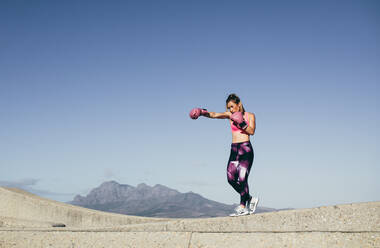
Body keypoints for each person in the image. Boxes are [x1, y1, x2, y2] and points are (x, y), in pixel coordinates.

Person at [189, 93, 259, 217]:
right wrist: (202, 112)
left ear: (239, 104)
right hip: (234, 150)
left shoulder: (250, 115)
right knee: (231, 179)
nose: (230, 110)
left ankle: (243, 206)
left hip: (246, 149)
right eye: (228, 108)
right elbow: (215, 115)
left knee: (242, 178)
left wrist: (242, 123)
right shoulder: (229, 116)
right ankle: (249, 198)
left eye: (232, 106)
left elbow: (252, 131)